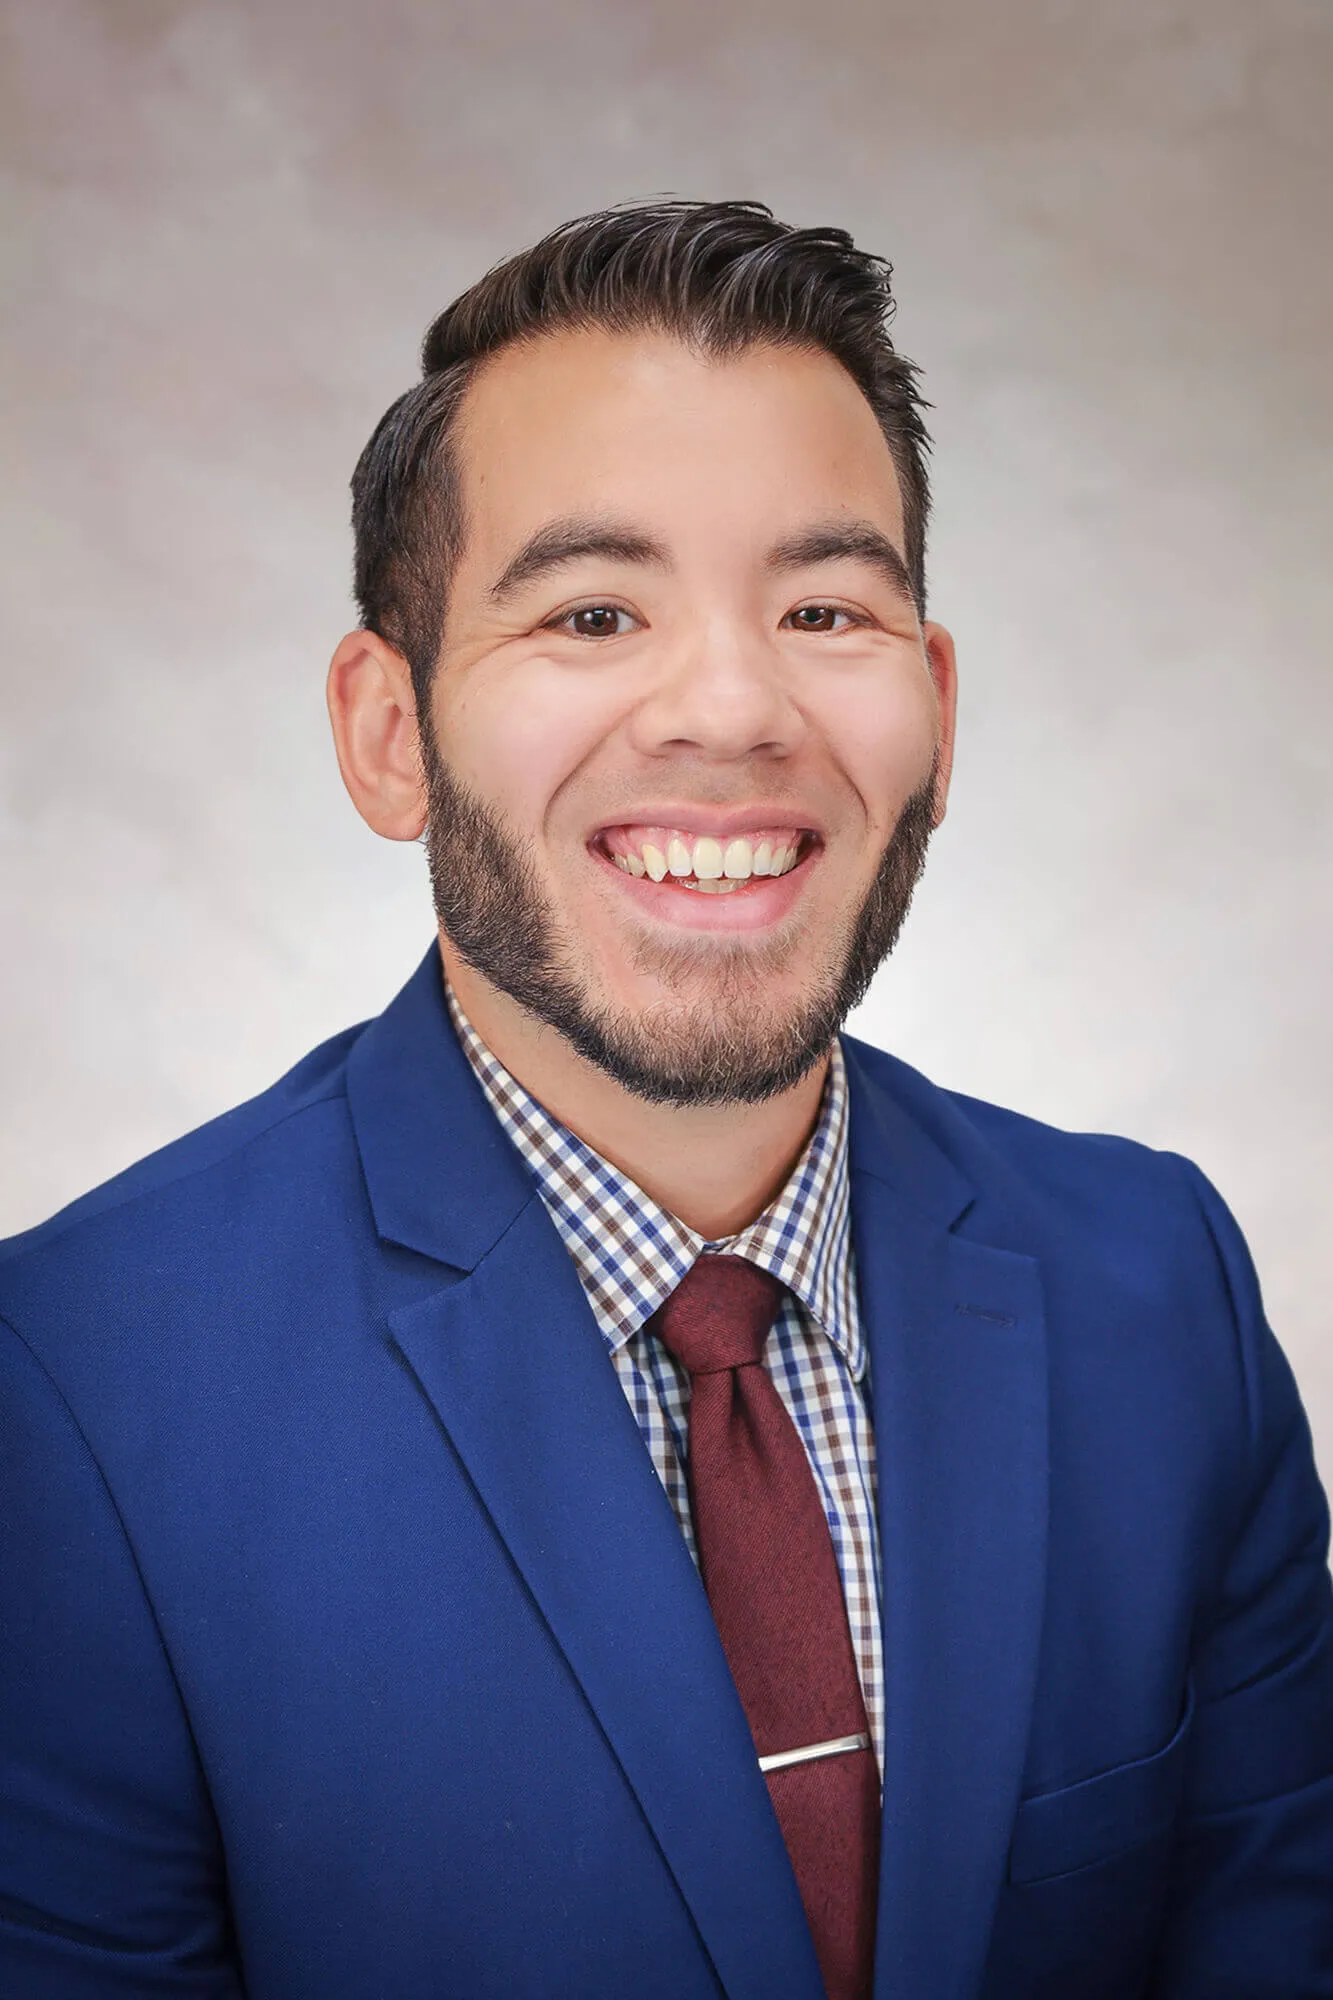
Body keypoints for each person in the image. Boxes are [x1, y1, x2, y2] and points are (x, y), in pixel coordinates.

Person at [1, 200, 1330, 2000]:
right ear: (390, 732)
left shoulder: (1160, 1289)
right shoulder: (73, 1390)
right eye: (595, 611)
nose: (731, 706)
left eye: (824, 608)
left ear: (937, 711)